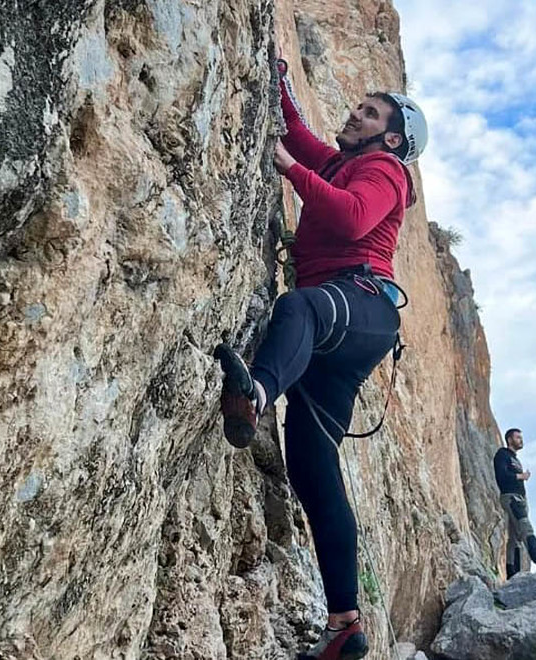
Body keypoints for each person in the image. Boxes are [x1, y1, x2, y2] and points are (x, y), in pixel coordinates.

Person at [212, 57, 427, 660]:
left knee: (299, 309)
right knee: (311, 465)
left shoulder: (385, 168)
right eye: (359, 106)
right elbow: (303, 139)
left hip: (359, 305)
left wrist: (285, 167)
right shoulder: (345, 161)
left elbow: (351, 215)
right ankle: (345, 627)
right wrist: (278, 82)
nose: (354, 113)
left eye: (370, 112)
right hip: (345, 334)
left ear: (391, 137)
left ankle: (254, 392)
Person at [494, 428, 536, 578]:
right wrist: (521, 476)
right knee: (526, 528)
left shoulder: (515, 458)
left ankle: (513, 574)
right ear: (509, 439)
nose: (521, 440)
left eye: (521, 437)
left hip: (520, 498)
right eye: (518, 437)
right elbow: (502, 475)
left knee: (515, 538)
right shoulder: (503, 454)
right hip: (511, 497)